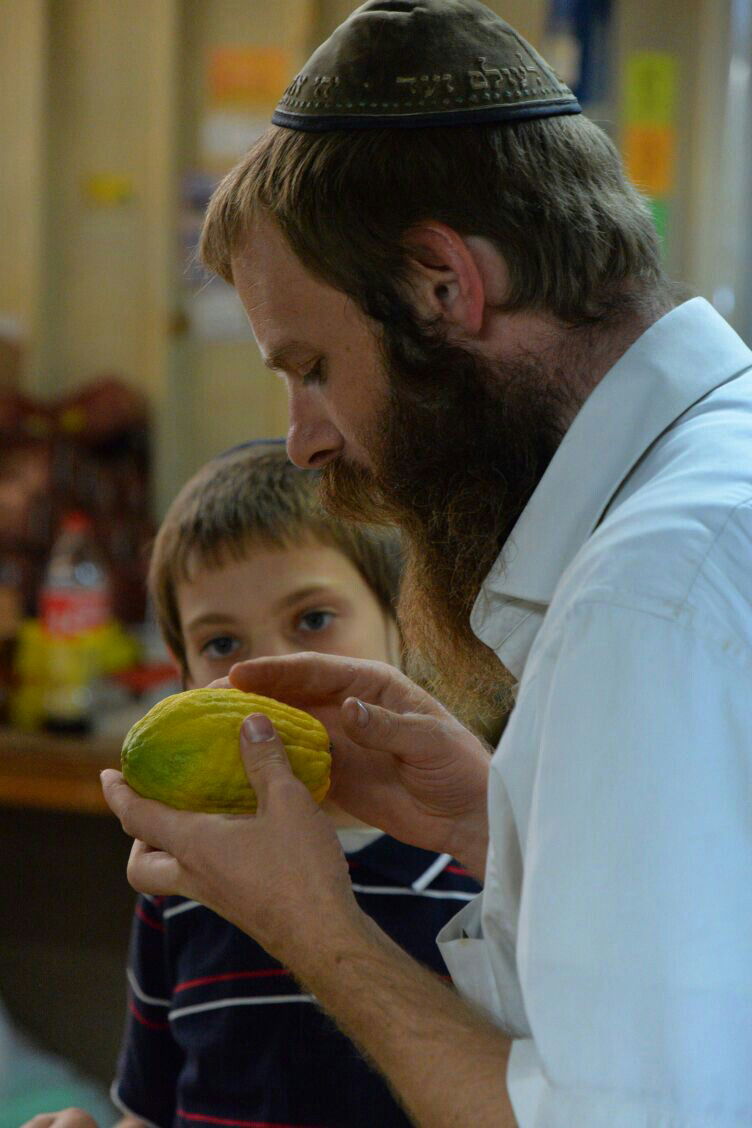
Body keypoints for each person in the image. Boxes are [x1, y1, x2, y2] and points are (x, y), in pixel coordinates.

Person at [98, 1, 752, 1125]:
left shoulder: (648, 591)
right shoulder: (703, 495)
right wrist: (492, 824)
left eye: (312, 367)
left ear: (440, 283)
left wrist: (316, 931)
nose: (303, 440)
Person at [26, 442, 481, 1128]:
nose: (267, 672)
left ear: (404, 633)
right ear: (184, 680)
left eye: (313, 620)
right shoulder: (187, 883)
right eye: (220, 645)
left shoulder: (478, 876)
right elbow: (151, 1111)